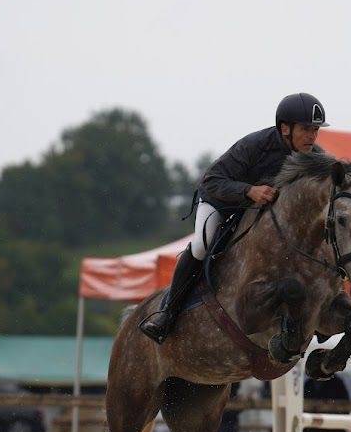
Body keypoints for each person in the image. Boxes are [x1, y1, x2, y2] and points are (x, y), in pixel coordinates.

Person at [138, 92, 329, 343]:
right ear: (285, 128)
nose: (312, 137)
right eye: (306, 129)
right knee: (202, 245)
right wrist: (249, 191)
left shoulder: (315, 156)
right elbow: (212, 180)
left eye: (315, 130)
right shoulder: (254, 146)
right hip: (223, 204)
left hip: (263, 216)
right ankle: (167, 313)